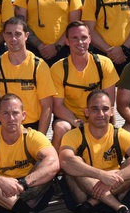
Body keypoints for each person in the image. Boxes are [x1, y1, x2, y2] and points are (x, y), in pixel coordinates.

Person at [59, 89, 130, 213]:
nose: (101, 114)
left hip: (113, 191)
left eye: (105, 109)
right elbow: (64, 160)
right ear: (86, 112)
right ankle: (122, 210)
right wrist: (101, 175)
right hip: (83, 193)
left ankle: (89, 206)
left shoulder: (119, 134)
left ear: (112, 112)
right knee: (74, 162)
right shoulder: (74, 135)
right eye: (95, 109)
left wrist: (115, 178)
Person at [0, 16, 56, 139]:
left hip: (31, 126)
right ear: (4, 37)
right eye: (9, 34)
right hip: (5, 124)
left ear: (26, 36)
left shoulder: (39, 66)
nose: (13, 39)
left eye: (18, 34)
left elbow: (47, 107)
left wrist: (41, 138)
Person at [50, 21, 119, 149]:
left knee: (109, 116)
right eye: (74, 38)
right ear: (67, 41)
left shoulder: (104, 64)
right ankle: (55, 163)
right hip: (71, 119)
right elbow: (57, 106)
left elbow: (109, 103)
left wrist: (92, 122)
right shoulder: (57, 68)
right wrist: (77, 123)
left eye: (83, 37)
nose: (80, 42)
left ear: (90, 39)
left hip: (98, 114)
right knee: (61, 127)